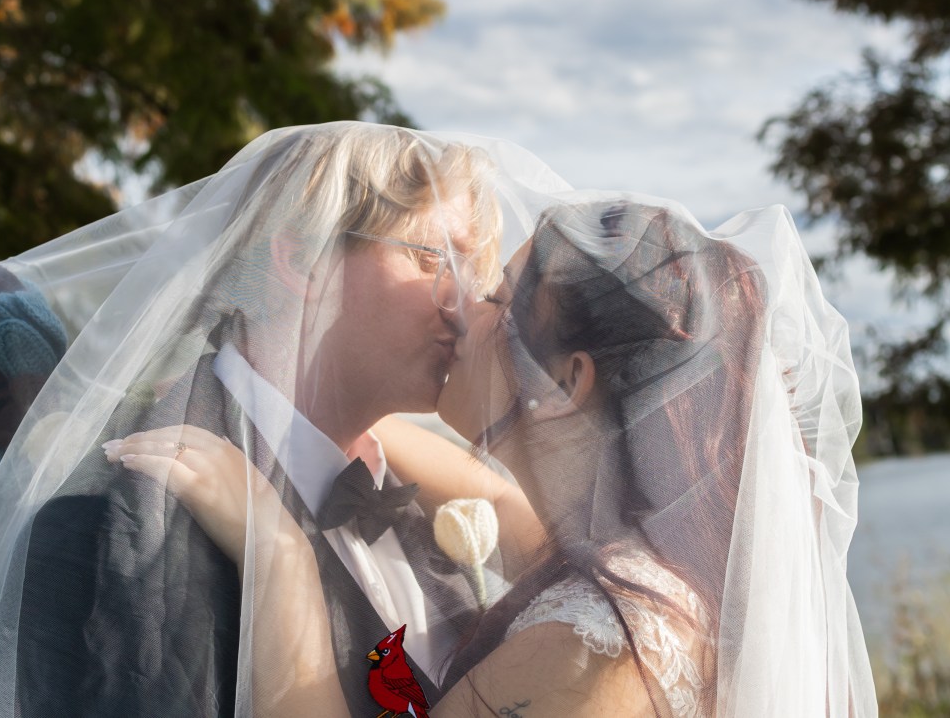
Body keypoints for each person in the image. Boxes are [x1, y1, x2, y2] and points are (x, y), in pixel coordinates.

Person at [0, 123, 558, 717]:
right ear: (301, 259)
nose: (467, 303)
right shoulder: (106, 524)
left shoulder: (417, 499)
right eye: (434, 257)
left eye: (474, 269)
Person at [112, 196, 877, 716]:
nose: (460, 307)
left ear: (566, 382)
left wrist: (280, 562)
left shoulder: (592, 647)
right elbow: (498, 501)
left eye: (499, 301)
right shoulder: (644, 560)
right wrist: (297, 402)